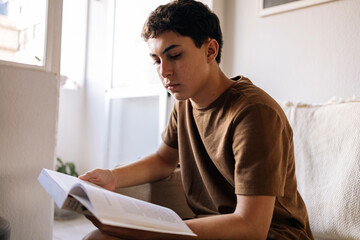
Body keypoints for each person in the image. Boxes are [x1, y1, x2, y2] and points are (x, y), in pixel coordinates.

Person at [80, 0, 314, 239]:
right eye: (157, 60)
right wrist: (112, 176)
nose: (164, 72)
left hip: (272, 235)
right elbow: (163, 159)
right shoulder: (183, 103)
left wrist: (147, 230)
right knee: (96, 238)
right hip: (211, 225)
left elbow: (251, 227)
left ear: (210, 51)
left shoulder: (254, 113)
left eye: (175, 55)